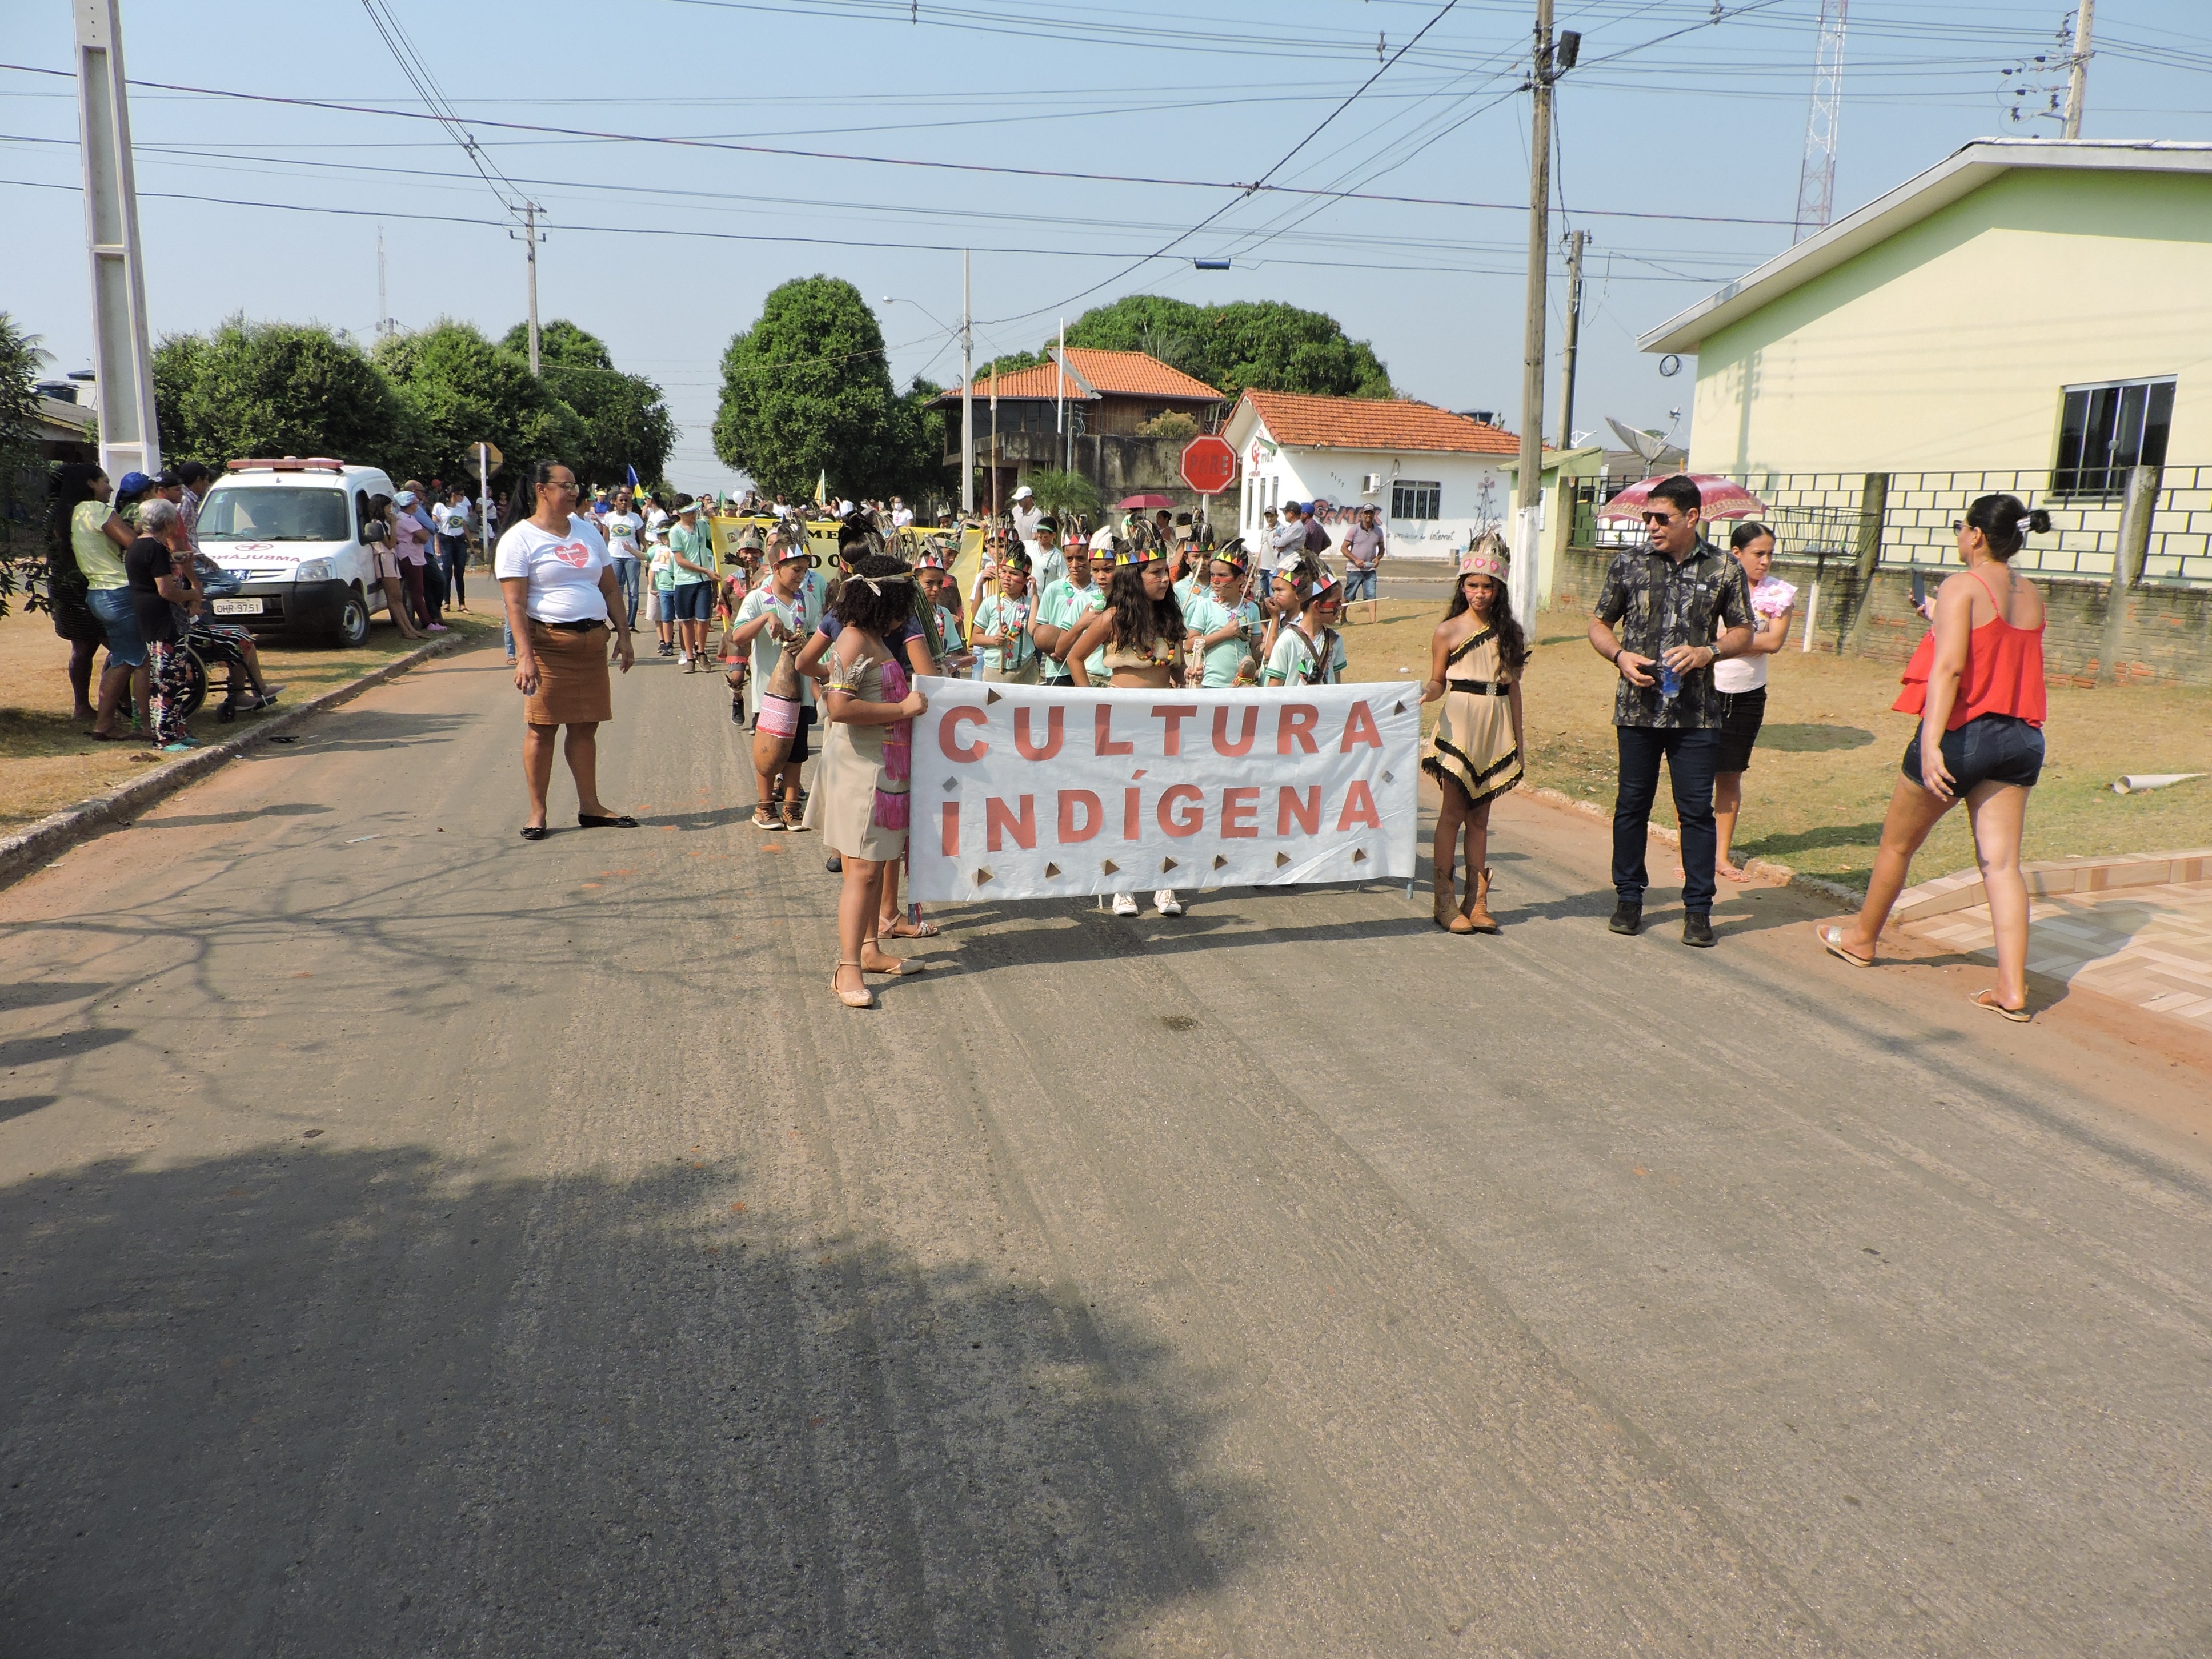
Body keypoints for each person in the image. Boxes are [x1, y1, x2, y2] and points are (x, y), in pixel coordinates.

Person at [1819, 495, 2051, 1020]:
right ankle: (2012, 991)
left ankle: (1860, 939)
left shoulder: (1960, 586)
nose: (1957, 536)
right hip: (2021, 739)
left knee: (1897, 845)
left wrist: (1930, 741)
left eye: (1959, 528)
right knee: (2003, 866)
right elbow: (1998, 647)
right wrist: (1937, 616)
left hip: (1965, 734)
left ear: (1975, 535)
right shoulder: (2033, 594)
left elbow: (1950, 670)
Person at [1588, 476, 1754, 948]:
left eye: (1662, 518)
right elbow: (1599, 623)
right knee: (1631, 807)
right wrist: (1619, 656)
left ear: (1692, 518)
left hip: (1697, 714)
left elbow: (1744, 631)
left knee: (1696, 813)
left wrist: (1708, 653)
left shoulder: (1724, 568)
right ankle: (1628, 899)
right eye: (1648, 518)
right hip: (1636, 709)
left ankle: (1699, 911)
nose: (1652, 526)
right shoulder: (1628, 564)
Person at [807, 552, 931, 1008]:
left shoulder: (874, 639)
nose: (907, 616)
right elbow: (838, 709)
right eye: (902, 603)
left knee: (876, 868)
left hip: (884, 770)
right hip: (860, 772)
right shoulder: (854, 641)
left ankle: (870, 951)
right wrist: (901, 710)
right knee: (859, 873)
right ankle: (846, 971)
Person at [495, 460, 637, 840]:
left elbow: (609, 589)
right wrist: (525, 656)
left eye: (577, 485)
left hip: (592, 644)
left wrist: (623, 634)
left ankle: (590, 806)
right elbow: (514, 604)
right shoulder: (519, 539)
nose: (574, 491)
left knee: (586, 727)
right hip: (548, 646)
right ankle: (537, 812)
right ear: (542, 489)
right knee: (542, 729)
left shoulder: (589, 532)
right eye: (566, 485)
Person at [1066, 537, 1188, 918]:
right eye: (1156, 573)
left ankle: (1165, 885)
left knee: (1165, 802)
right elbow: (1074, 657)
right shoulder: (1113, 617)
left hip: (1164, 721)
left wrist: (1185, 677)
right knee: (1125, 804)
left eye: (1166, 572)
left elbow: (1177, 670)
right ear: (1137, 577)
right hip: (1120, 721)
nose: (1165, 579)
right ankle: (1123, 886)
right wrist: (1092, 705)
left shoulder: (1169, 618)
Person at [1420, 544, 1528, 934]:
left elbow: (1514, 689)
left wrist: (1518, 739)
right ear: (1462, 587)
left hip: (1496, 723)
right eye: (1473, 586)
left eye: (1488, 586)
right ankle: (1445, 901)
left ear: (1498, 589)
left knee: (1481, 817)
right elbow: (1437, 680)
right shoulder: (1446, 631)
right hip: (1459, 723)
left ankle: (1477, 901)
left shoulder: (1509, 633)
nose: (1480, 593)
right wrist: (1427, 694)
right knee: (1452, 812)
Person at [1711, 522, 1796, 880]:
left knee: (1731, 775)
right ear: (1736, 554)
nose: (1765, 562)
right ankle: (1693, 855)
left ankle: (1721, 857)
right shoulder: (1714, 586)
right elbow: (1701, 634)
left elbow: (1774, 643)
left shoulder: (1780, 594)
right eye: (1758, 554)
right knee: (1696, 776)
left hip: (1748, 696)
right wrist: (1738, 641)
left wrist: (1727, 641)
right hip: (1707, 690)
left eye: (1770, 554)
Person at [731, 523, 823, 829]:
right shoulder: (758, 599)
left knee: (796, 750)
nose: (800, 576)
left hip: (801, 691)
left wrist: (806, 644)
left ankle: (792, 804)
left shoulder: (807, 601)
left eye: (804, 571)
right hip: (768, 693)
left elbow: (820, 639)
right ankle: (764, 805)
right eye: (795, 569)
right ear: (775, 568)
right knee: (768, 749)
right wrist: (766, 618)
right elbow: (738, 635)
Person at [126, 498, 198, 752]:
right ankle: (165, 737)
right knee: (166, 678)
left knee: (176, 677)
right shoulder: (154, 549)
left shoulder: (141, 546)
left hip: (155, 618)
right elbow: (166, 591)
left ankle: (178, 729)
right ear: (167, 522)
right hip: (161, 619)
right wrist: (193, 594)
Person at [1180, 538, 1263, 688]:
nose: (1216, 580)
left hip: (1243, 686)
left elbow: (1256, 652)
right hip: (1212, 684)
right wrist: (1223, 635)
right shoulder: (1206, 606)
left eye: (1223, 576)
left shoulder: (1252, 609)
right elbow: (1189, 644)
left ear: (1240, 579)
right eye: (1213, 575)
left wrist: (1275, 624)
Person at [1031, 531, 1106, 688]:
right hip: (1059, 670)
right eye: (1069, 559)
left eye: (1080, 558)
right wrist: (1053, 651)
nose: (1074, 564)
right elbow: (1039, 630)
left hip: (1089, 668)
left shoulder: (1101, 590)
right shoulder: (1053, 589)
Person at [1260, 558, 1348, 689]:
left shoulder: (1335, 640)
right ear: (1317, 606)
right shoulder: (1288, 640)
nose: (1341, 608)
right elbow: (1273, 689)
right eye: (1336, 602)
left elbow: (1337, 685)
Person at [365, 495, 429, 642]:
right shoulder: (377, 525)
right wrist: (394, 525)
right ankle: (405, 630)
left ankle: (410, 629)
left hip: (391, 558)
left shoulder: (384, 523)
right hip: (384, 558)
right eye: (388, 507)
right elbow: (391, 543)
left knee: (398, 598)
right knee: (393, 598)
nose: (391, 510)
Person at [972, 548, 1040, 684]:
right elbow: (975, 637)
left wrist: (1036, 596)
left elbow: (1034, 631)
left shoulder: (1031, 604)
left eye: (1014, 574)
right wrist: (993, 640)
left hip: (1026, 669)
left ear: (1026, 580)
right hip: (996, 670)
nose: (1007, 578)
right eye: (1004, 572)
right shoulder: (990, 603)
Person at [1341, 503, 1385, 625]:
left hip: (1370, 569)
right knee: (1349, 595)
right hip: (1354, 569)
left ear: (1374, 514)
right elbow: (1344, 549)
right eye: (1366, 513)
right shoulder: (1354, 530)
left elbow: (1382, 549)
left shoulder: (1378, 531)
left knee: (1372, 594)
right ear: (1362, 514)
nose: (1369, 515)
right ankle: (1343, 618)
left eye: (1371, 513)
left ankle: (1373, 621)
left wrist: (1378, 558)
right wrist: (1356, 560)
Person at [433, 484, 474, 612]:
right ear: (453, 495)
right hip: (445, 540)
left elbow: (464, 527)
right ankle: (447, 602)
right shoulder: (440, 507)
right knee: (447, 572)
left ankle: (462, 603)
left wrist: (471, 544)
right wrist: (436, 544)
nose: (463, 497)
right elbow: (434, 526)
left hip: (459, 540)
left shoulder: (462, 509)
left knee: (460, 573)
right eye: (461, 494)